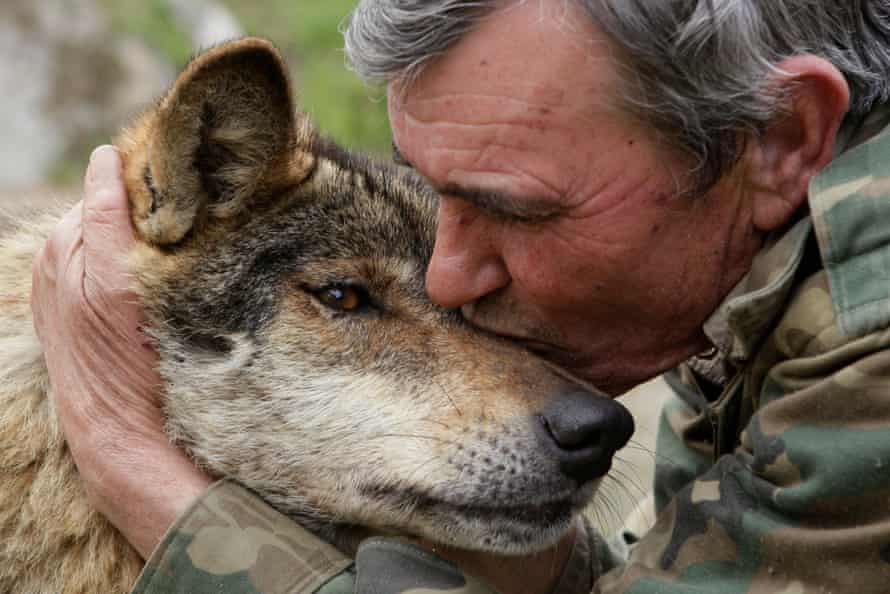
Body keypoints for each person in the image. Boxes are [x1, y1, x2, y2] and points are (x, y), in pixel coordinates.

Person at [30, 0, 890, 592]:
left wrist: (122, 452)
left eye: (518, 208)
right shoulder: (756, 289)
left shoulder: (871, 345)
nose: (450, 277)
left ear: (782, 139)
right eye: (444, 201)